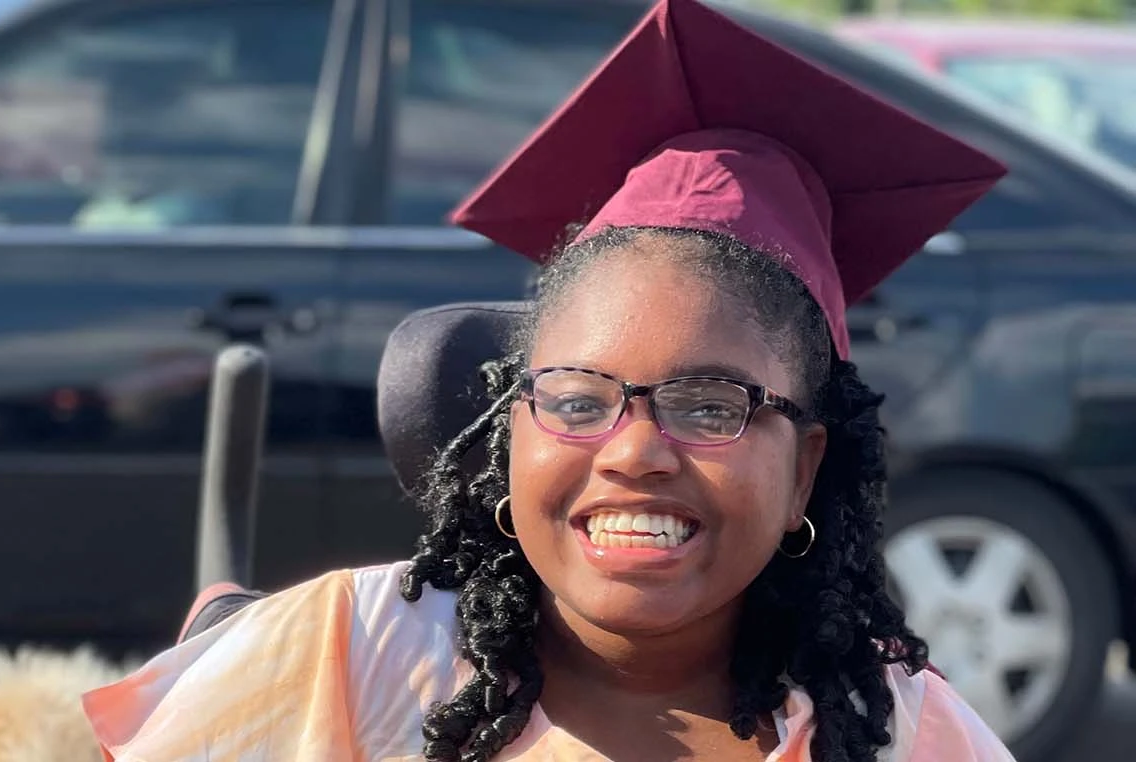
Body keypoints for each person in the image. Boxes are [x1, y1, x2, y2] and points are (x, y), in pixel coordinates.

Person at [80, 0, 1015, 759]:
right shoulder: (344, 654)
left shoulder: (898, 733)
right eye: (576, 401)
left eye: (709, 406)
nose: (636, 452)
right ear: (511, 432)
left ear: (805, 470)